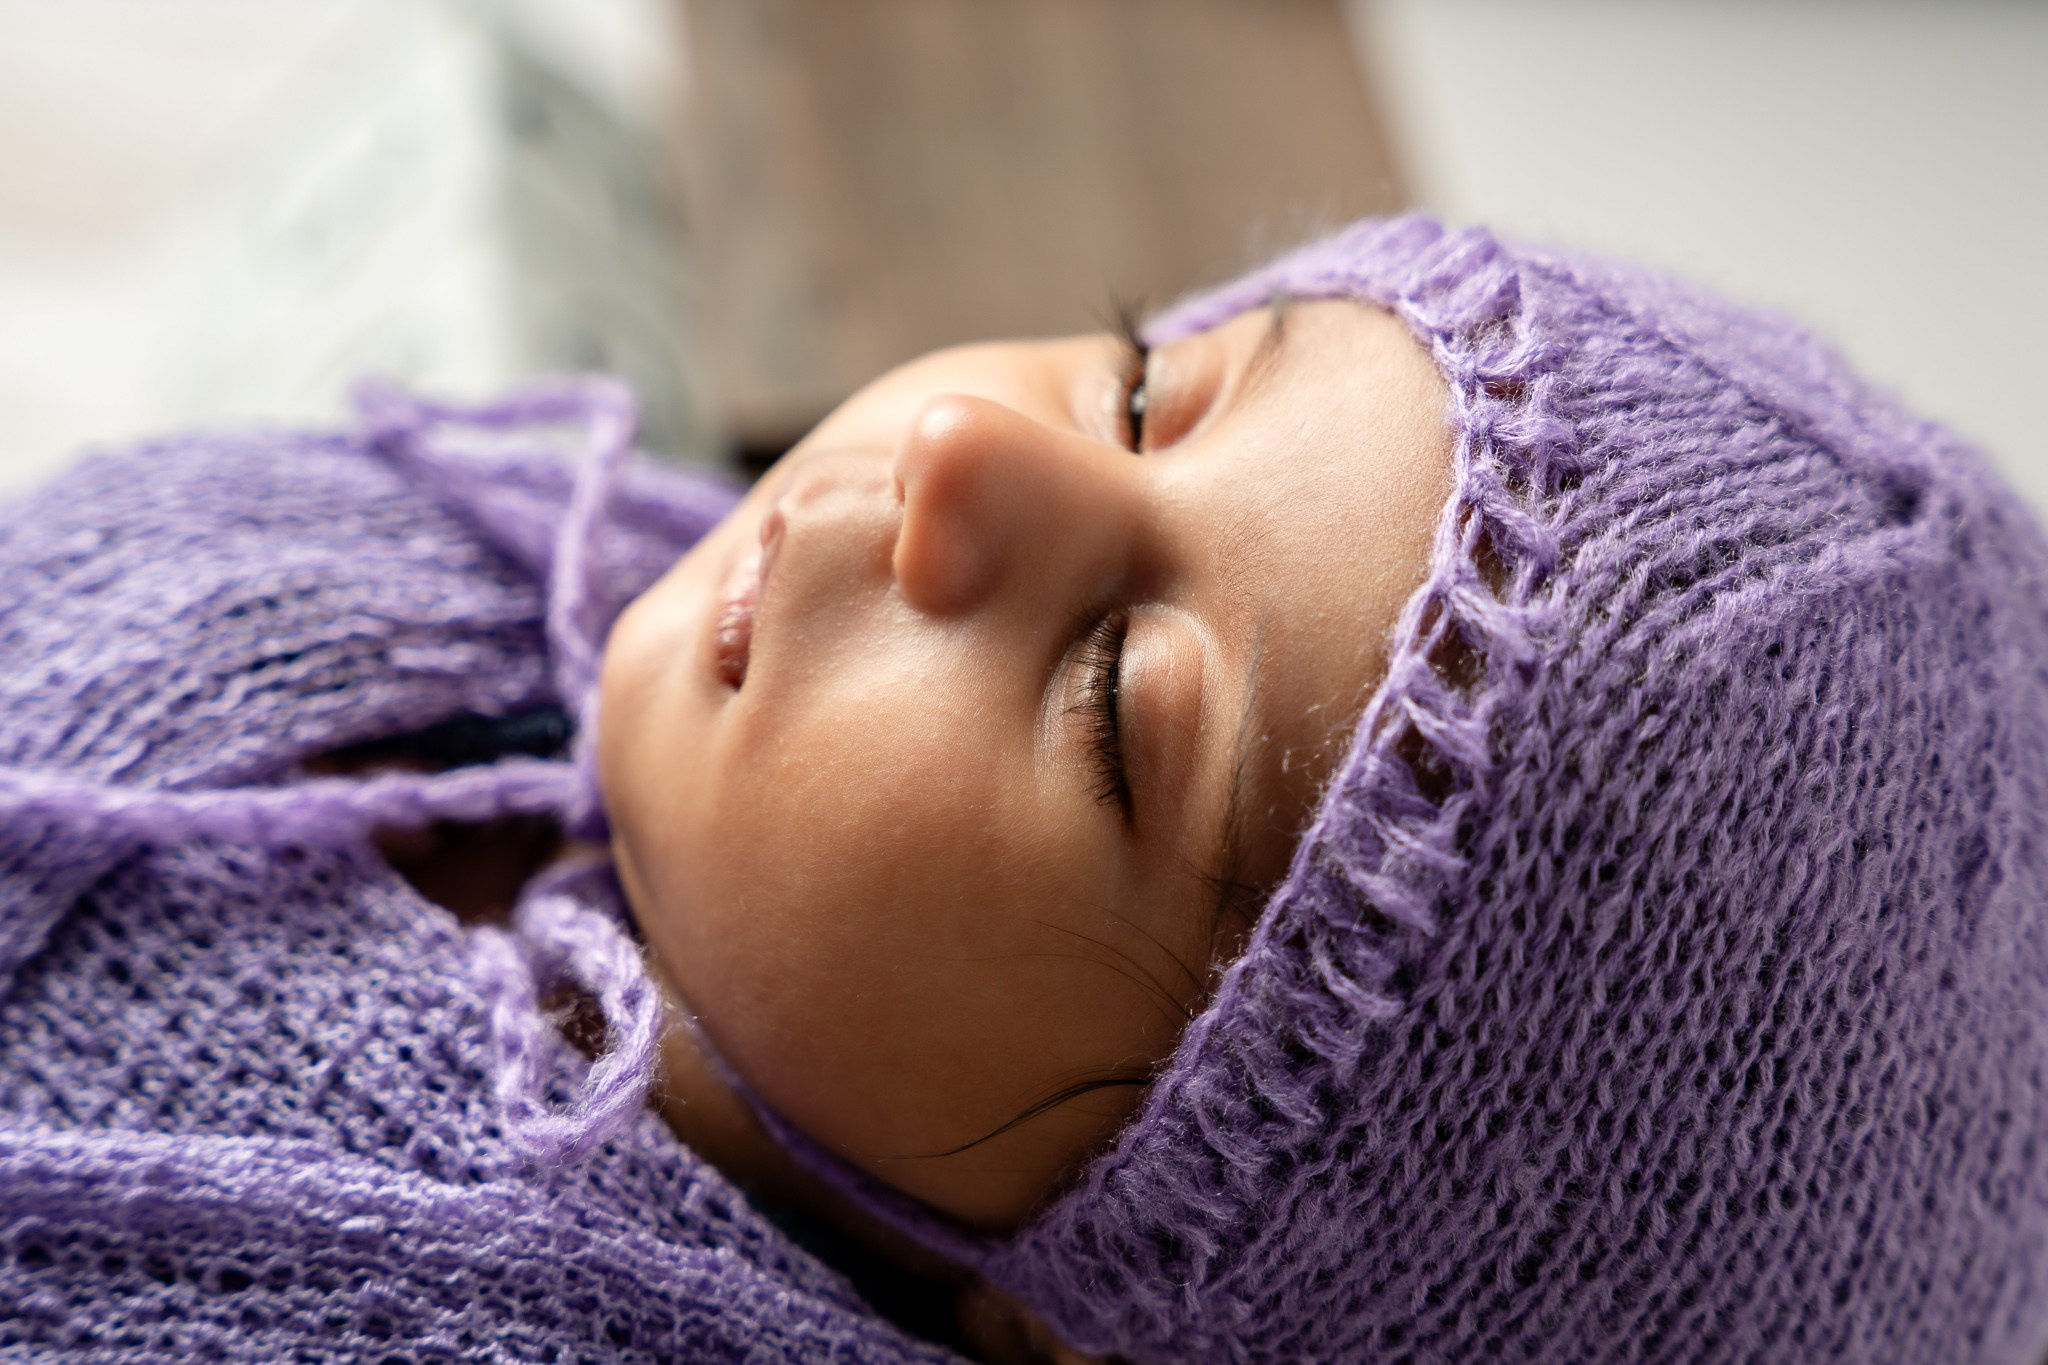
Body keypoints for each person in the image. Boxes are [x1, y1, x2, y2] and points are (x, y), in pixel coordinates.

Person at [3, 214, 2046, 1364]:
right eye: (1146, 386)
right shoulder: (476, 553)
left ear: (1081, 1312)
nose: (967, 449)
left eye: (1110, 702)